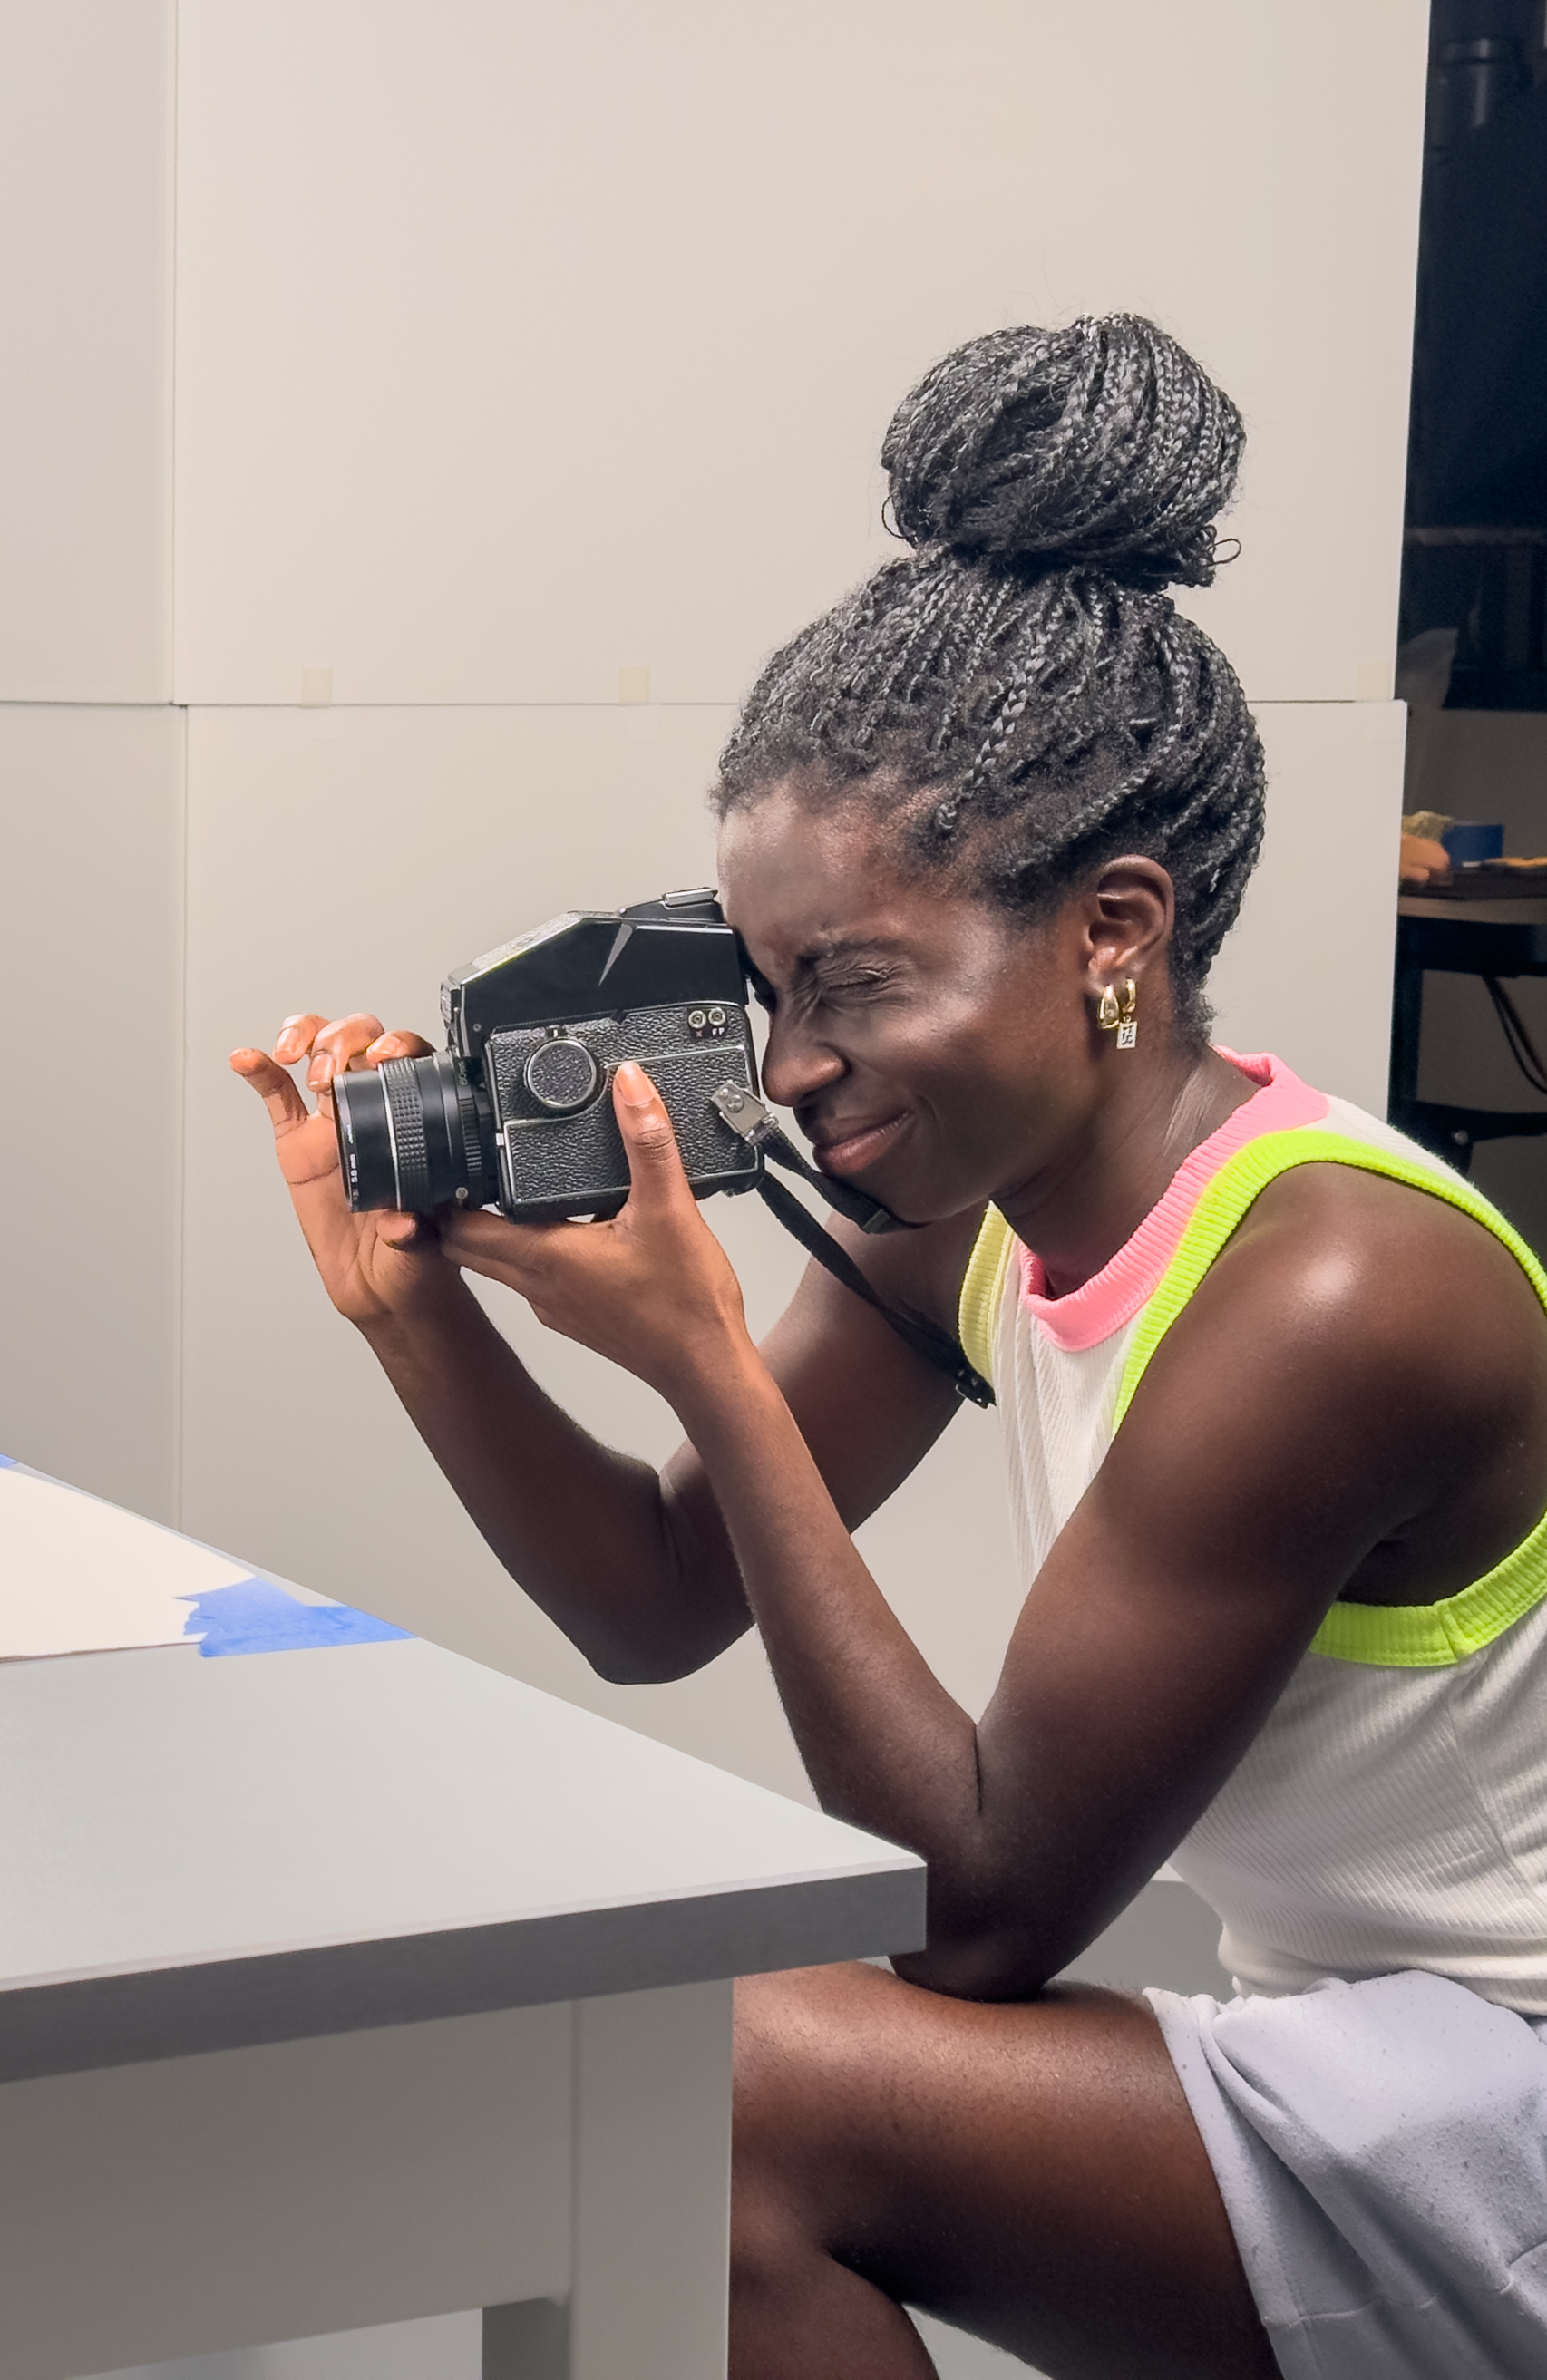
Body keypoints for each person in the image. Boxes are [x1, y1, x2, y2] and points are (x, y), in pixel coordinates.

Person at [231, 316, 1547, 2380]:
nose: (790, 1065)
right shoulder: (966, 1221)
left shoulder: (1328, 1288)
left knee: (730, 2085)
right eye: (759, 985)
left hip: (1509, 2091)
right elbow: (656, 1598)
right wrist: (425, 1324)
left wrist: (708, 1367)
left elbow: (982, 1910)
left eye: (854, 981)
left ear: (1112, 931)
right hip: (1357, 2028)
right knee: (688, 2072)